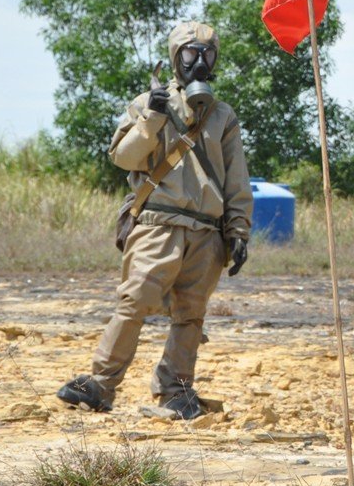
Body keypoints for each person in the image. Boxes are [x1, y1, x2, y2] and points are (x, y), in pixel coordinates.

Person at [57, 21, 252, 420]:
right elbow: (124, 159)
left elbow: (237, 179)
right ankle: (100, 384)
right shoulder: (147, 103)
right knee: (135, 301)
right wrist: (151, 119)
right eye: (189, 53)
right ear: (174, 56)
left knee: (190, 313)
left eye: (207, 54)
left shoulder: (222, 115)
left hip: (206, 231)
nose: (199, 62)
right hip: (157, 222)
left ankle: (176, 389)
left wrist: (239, 230)